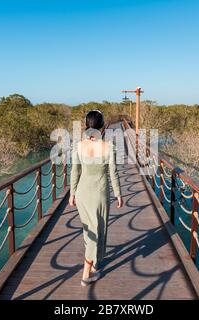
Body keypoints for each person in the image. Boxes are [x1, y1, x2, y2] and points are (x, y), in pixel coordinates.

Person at [69, 110, 123, 286]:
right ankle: (86, 274)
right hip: (99, 194)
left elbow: (74, 171)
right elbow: (113, 173)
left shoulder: (78, 146)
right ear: (102, 127)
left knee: (89, 230)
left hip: (82, 194)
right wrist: (118, 194)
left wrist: (72, 193)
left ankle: (96, 264)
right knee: (98, 231)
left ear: (86, 126)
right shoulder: (108, 147)